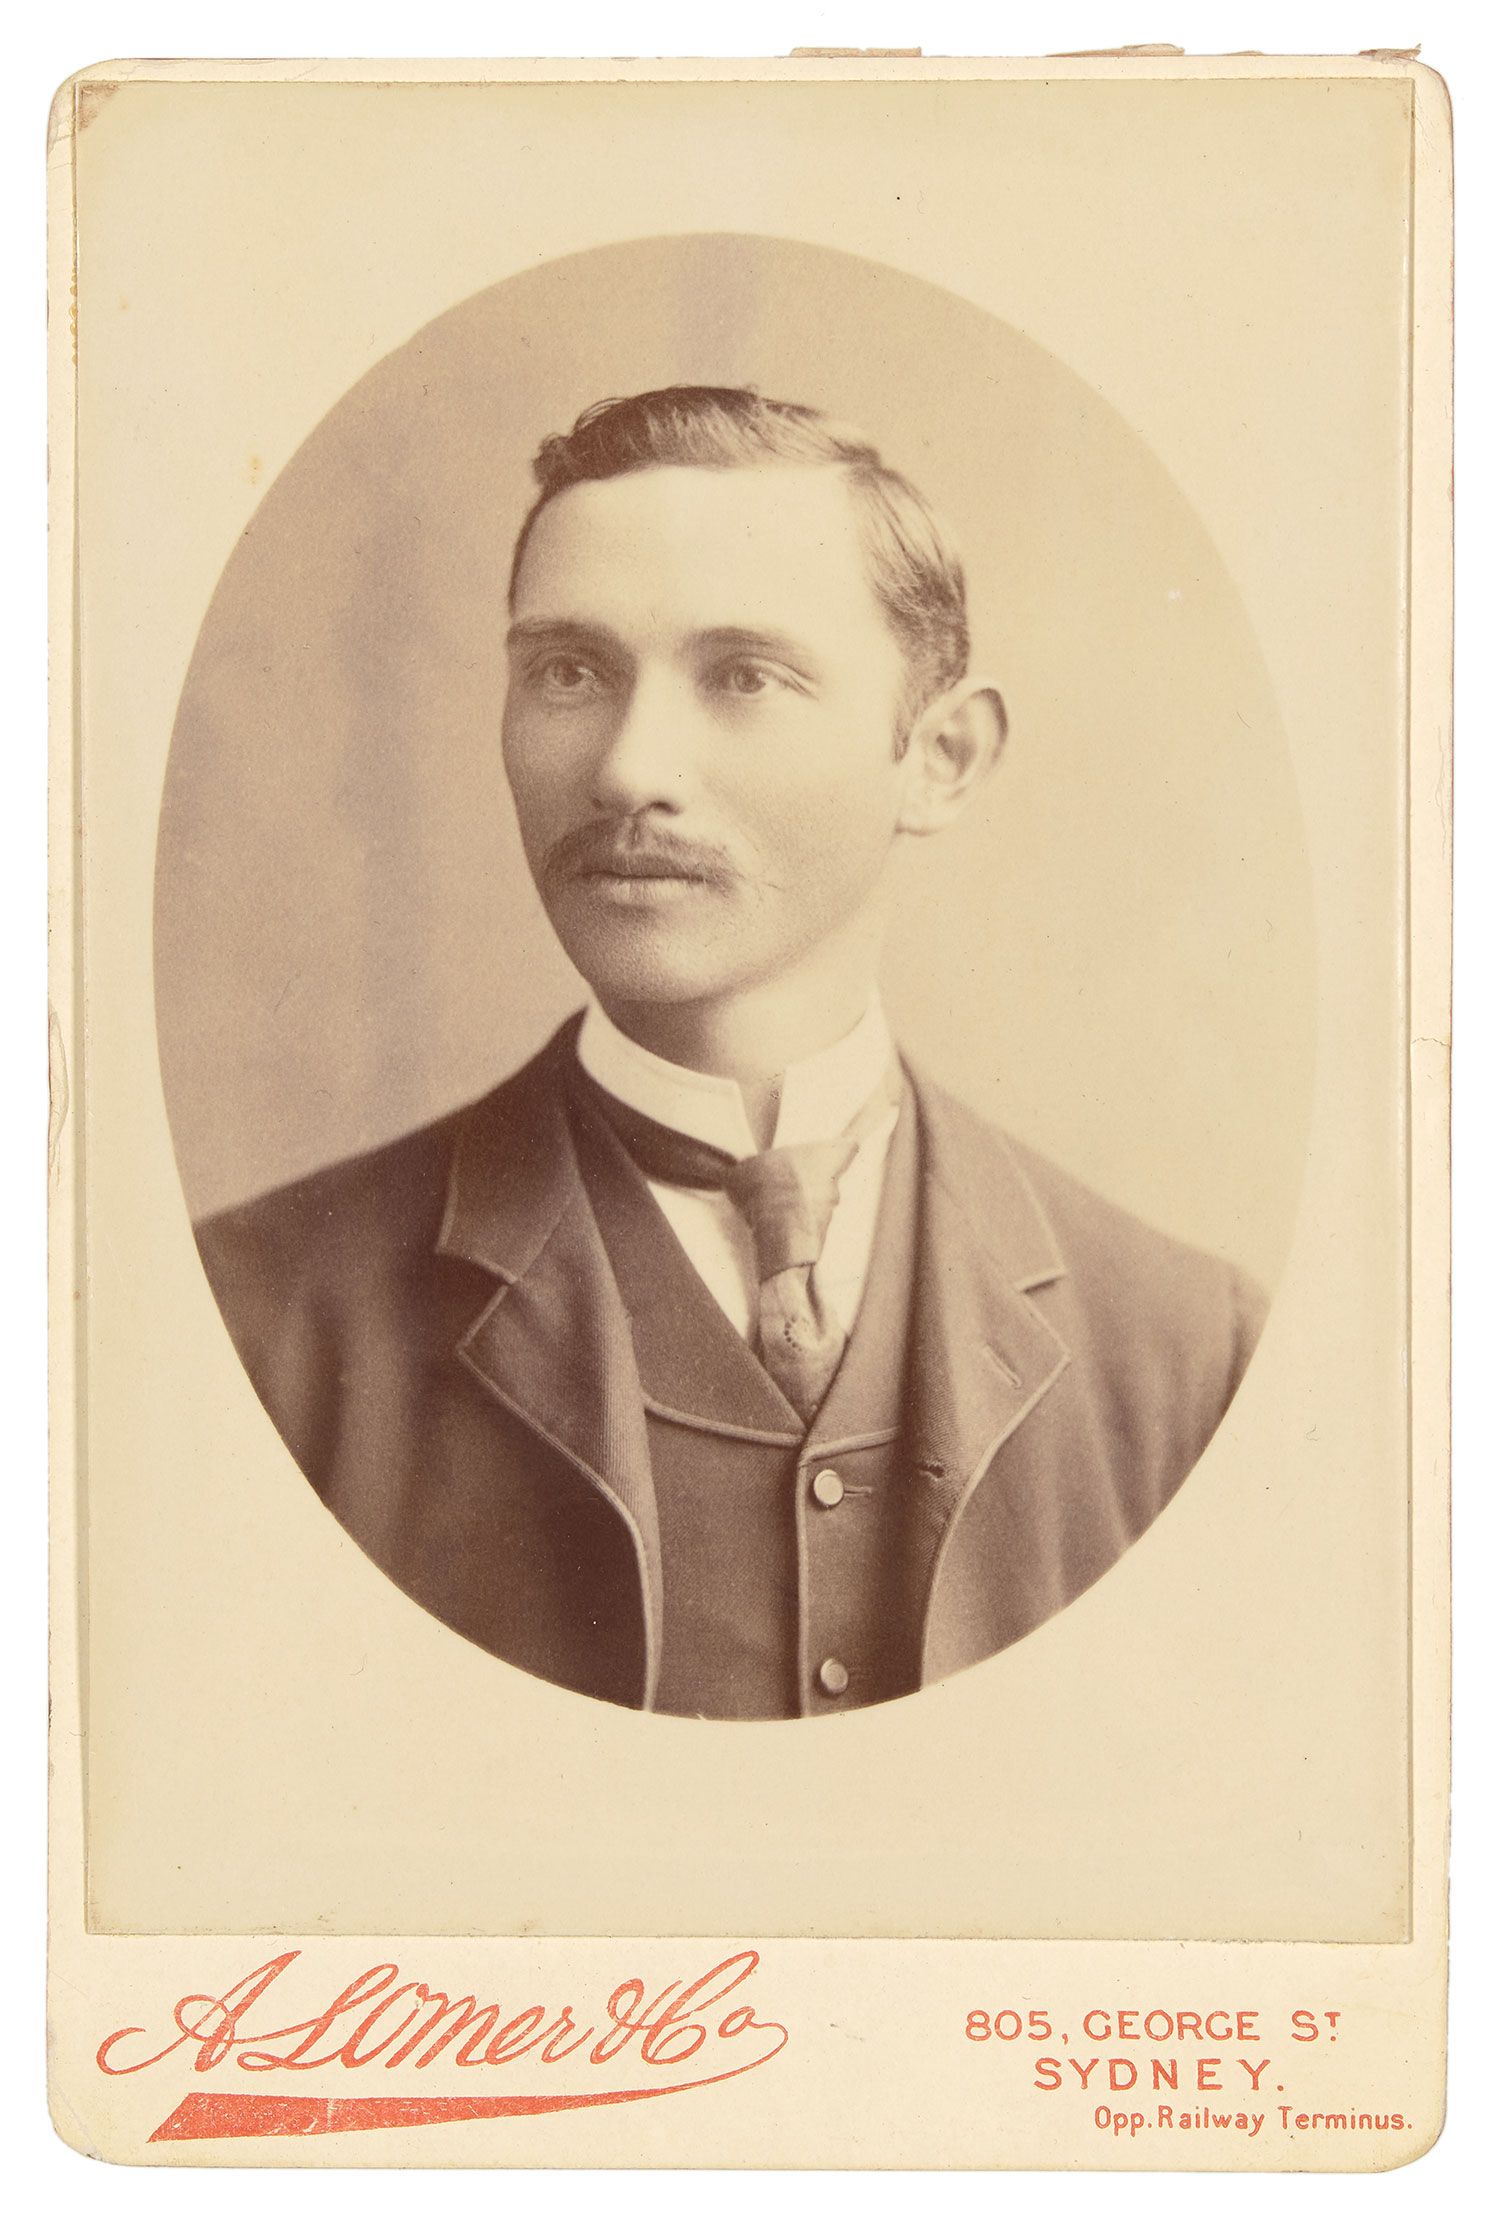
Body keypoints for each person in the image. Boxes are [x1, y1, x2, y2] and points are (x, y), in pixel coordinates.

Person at [196, 385, 1266, 1721]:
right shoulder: (250, 1328)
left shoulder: (1187, 1355)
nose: (630, 766)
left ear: (939, 758)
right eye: (568, 673)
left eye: (743, 677)